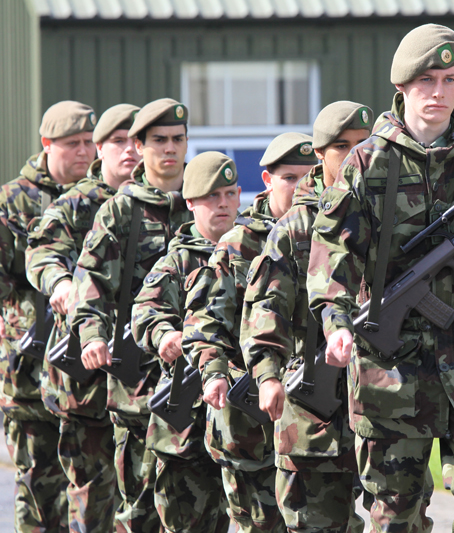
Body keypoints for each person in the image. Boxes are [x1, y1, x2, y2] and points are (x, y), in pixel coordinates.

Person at [306, 24, 454, 533]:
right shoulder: (367, 164)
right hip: (393, 369)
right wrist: (336, 321)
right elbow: (331, 254)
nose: (438, 92)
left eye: (450, 79)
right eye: (427, 80)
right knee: (396, 514)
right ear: (404, 87)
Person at [0, 100, 97, 532]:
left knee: (96, 490)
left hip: (90, 375)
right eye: (73, 143)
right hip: (31, 370)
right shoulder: (15, 199)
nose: (84, 152)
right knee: (39, 490)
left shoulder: (102, 198)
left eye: (90, 142)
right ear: (47, 145)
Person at [241, 101, 373, 533]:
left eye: (363, 145)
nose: (355, 156)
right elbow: (265, 306)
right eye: (342, 147)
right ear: (320, 154)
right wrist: (267, 375)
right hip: (315, 414)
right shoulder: (297, 226)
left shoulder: (390, 216)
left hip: (385, 404)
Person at [181, 132, 316, 533]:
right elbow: (204, 322)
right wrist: (214, 371)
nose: (300, 187)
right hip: (250, 426)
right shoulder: (239, 244)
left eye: (310, 176)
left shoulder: (331, 237)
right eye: (290, 178)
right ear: (268, 180)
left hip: (317, 421)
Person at [69, 98, 191, 533]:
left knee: (196, 509)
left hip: (195, 380)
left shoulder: (201, 201)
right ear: (140, 146)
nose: (170, 149)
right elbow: (92, 281)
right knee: (138, 510)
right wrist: (92, 336)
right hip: (139, 384)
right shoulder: (122, 210)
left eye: (178, 139)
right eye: (159, 140)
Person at [25, 103, 141, 533]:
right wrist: (59, 285)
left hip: (143, 379)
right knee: (92, 496)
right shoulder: (79, 203)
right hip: (86, 385)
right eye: (118, 142)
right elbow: (42, 252)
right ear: (101, 150)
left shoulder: (163, 203)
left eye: (137, 141)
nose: (130, 151)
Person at [130, 151, 241, 533]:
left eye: (229, 193)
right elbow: (145, 312)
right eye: (212, 196)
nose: (223, 204)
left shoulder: (256, 252)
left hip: (243, 420)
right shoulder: (176, 262)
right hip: (187, 425)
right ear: (191, 203)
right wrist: (164, 336)